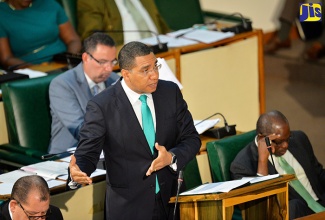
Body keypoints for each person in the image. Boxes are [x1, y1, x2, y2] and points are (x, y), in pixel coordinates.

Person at [68, 41, 201, 219]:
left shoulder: (170, 92)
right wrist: (77, 172)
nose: (154, 75)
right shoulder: (102, 106)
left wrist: (171, 157)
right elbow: (87, 153)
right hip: (129, 208)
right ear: (126, 74)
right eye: (145, 70)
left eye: (156, 66)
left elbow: (191, 138)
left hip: (171, 201)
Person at [230, 110, 325, 220]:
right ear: (262, 139)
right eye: (279, 142)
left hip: (321, 202)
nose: (285, 145)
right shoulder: (242, 165)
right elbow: (260, 207)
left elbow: (319, 173)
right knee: (293, 207)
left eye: (288, 138)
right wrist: (262, 162)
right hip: (298, 213)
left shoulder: (300, 139)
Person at [48, 32, 120, 154]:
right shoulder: (62, 85)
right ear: (86, 58)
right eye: (102, 62)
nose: (109, 68)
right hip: (69, 156)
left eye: (113, 61)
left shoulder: (114, 79)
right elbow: (81, 130)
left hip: (109, 152)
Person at [0, 0, 81, 70]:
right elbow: (6, 58)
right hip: (29, 69)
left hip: (64, 63)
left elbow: (73, 40)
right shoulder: (2, 14)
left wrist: (69, 59)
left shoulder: (49, 4)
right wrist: (34, 69)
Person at [77, 0, 170, 45]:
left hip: (163, 53)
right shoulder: (92, 2)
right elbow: (90, 39)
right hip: (127, 62)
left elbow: (163, 28)